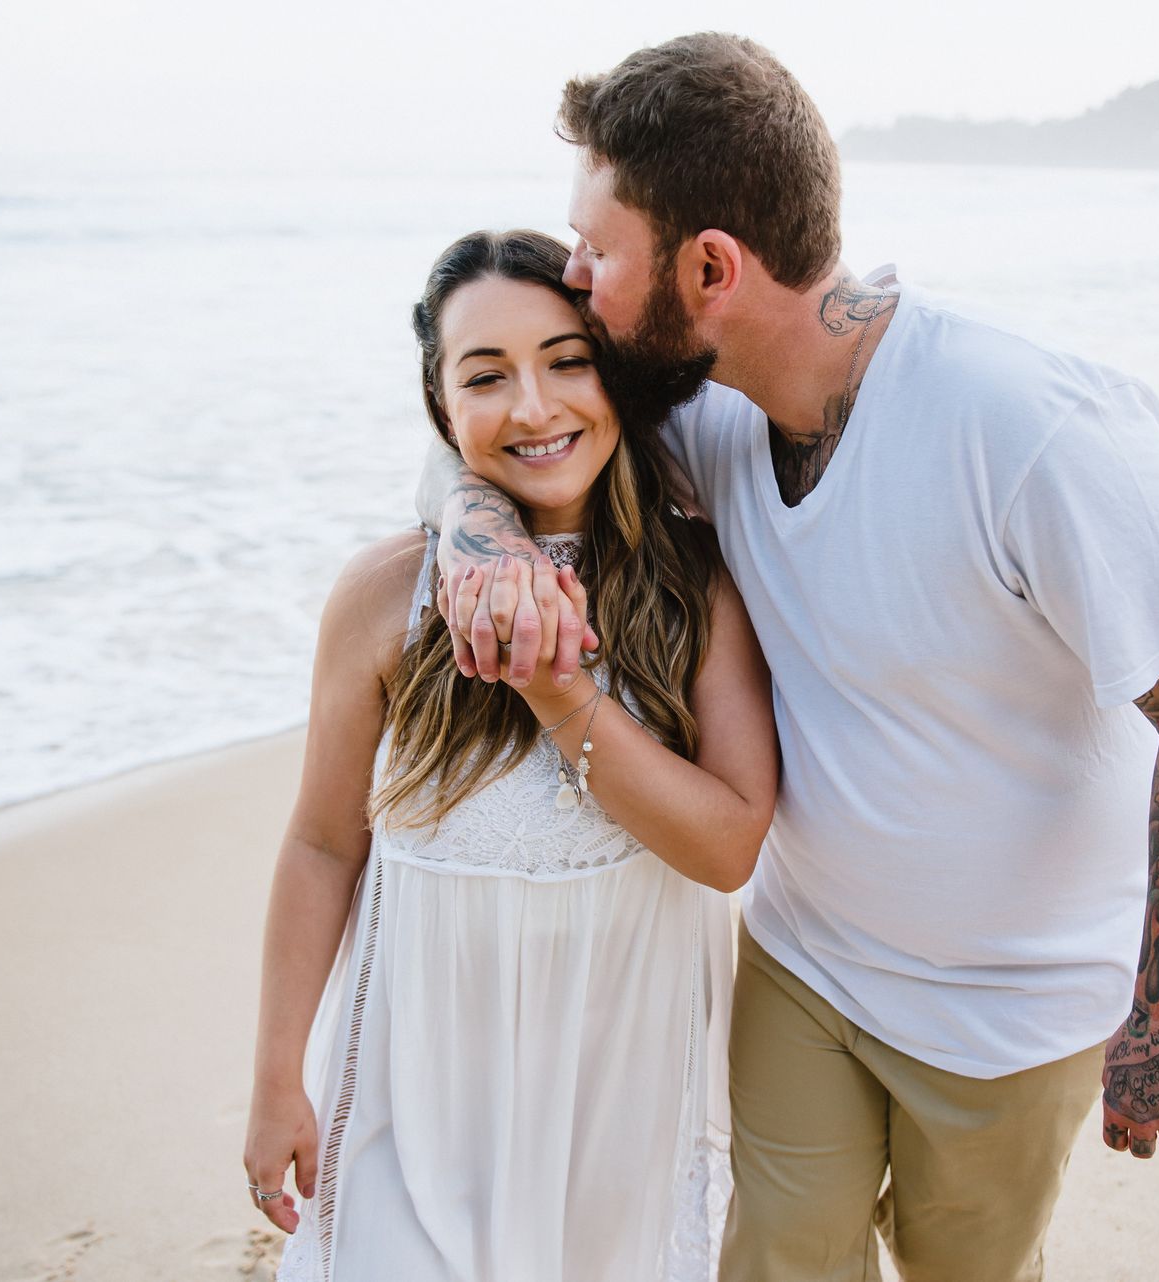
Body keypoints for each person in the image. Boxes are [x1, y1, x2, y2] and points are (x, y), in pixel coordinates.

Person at [422, 33, 1159, 1282]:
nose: (575, 276)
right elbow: (515, 431)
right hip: (807, 963)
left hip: (1011, 1009)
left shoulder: (1031, 428)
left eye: (597, 250)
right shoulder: (711, 414)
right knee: (773, 1264)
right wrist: (474, 537)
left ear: (709, 266)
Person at [246, 229, 778, 1282]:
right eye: (484, 377)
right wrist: (274, 1075)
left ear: (615, 373)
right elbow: (319, 845)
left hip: (614, 1093)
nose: (533, 409)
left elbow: (728, 848)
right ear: (443, 412)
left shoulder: (695, 588)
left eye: (567, 361)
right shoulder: (382, 599)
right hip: (418, 1090)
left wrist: (558, 689)